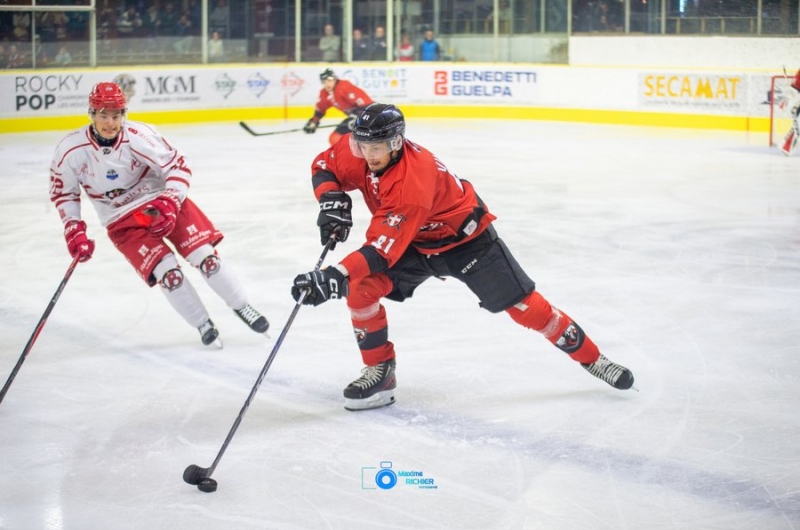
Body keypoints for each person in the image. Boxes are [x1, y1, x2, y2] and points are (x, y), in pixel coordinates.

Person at [291, 103, 635, 411]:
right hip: (415, 241)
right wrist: (331, 198)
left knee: (526, 308)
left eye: (375, 147)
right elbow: (323, 165)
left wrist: (336, 275)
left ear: (396, 143)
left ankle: (594, 359)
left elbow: (381, 250)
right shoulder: (362, 150)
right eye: (361, 145)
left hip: (467, 243)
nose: (367, 154)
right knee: (361, 288)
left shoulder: (413, 179)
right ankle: (381, 372)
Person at [49, 82, 269, 347]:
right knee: (169, 275)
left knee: (207, 259)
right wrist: (73, 228)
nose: (110, 122)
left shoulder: (139, 136)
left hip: (161, 201)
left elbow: (178, 165)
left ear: (124, 114)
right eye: (103, 115)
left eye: (116, 115)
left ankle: (241, 306)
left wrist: (170, 200)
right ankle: (202, 323)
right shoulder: (70, 150)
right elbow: (65, 193)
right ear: (91, 114)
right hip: (120, 219)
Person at [303, 68, 375, 146]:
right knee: (335, 138)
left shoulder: (344, 86)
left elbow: (367, 104)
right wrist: (314, 122)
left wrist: (358, 118)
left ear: (335, 79)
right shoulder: (324, 93)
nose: (327, 84)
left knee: (336, 138)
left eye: (329, 81)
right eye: (324, 82)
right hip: (354, 120)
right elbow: (320, 109)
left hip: (369, 117)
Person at [777, 69, 800, 156]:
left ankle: (785, 146)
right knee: (797, 129)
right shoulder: (796, 83)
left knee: (797, 129)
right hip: (795, 107)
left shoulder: (797, 78)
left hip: (795, 106)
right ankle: (786, 147)